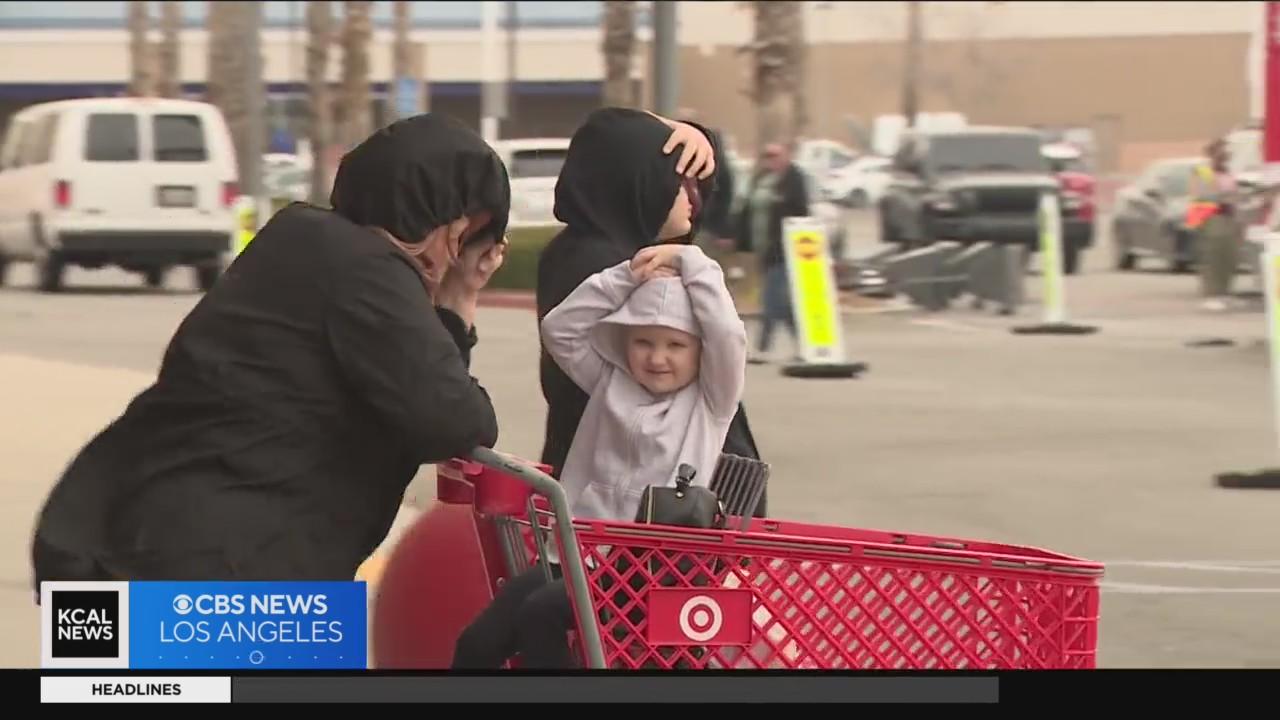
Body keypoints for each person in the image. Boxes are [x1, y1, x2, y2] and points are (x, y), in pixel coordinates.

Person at [30, 113, 509, 588]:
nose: (460, 254)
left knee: (110, 646)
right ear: (443, 221)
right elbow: (454, 421)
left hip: (115, 543)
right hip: (227, 573)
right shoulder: (368, 274)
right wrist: (459, 302)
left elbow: (419, 398)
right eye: (468, 236)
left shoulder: (300, 240)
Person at [452, 237, 748, 669]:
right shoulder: (610, 381)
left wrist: (690, 260)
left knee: (540, 614)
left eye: (676, 345)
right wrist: (626, 277)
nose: (657, 358)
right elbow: (559, 328)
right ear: (623, 340)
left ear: (701, 351)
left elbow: (728, 334)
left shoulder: (709, 404)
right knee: (478, 644)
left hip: (645, 575)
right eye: (643, 341)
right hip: (576, 556)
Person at [536, 108, 767, 515]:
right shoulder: (614, 267)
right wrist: (643, 272)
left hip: (625, 515)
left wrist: (693, 136)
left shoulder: (608, 250)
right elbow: (562, 332)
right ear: (641, 183)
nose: (694, 198)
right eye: (678, 182)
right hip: (640, 518)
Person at [735, 141, 810, 363]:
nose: (770, 160)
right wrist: (738, 238)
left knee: (771, 298)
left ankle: (763, 347)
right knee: (782, 304)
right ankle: (806, 346)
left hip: (784, 248)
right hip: (763, 249)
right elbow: (746, 210)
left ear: (786, 156)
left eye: (775, 155)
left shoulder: (794, 179)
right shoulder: (760, 180)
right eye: (766, 156)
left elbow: (801, 210)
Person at [1188, 138, 1244, 312]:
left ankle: (1224, 293)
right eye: (1223, 150)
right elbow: (1201, 194)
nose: (1227, 154)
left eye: (1228, 151)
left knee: (1229, 256)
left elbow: (1234, 194)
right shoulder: (1203, 170)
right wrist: (1224, 198)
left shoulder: (1227, 171)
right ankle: (1211, 295)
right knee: (1213, 256)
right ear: (1213, 152)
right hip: (1212, 217)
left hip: (1229, 217)